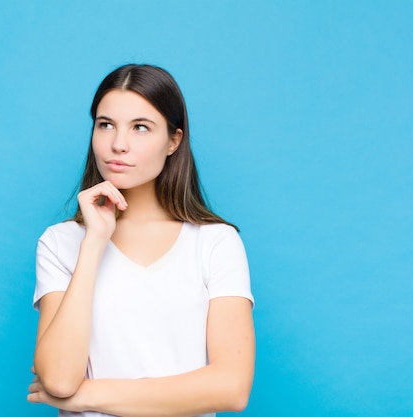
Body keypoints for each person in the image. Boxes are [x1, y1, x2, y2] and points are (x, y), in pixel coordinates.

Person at [28, 64, 255, 417]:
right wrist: (94, 243)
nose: (118, 144)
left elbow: (231, 388)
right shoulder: (61, 243)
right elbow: (58, 379)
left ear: (173, 141)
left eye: (140, 128)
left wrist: (87, 396)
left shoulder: (215, 243)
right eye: (106, 125)